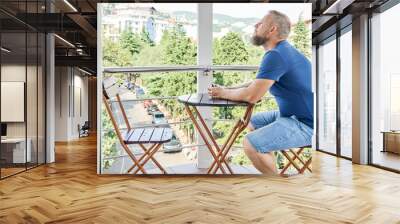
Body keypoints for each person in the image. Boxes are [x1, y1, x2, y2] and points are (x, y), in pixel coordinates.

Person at [208, 10, 313, 175]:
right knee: (250, 122)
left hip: (306, 124)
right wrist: (227, 89)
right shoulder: (283, 51)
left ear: (272, 29)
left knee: (250, 144)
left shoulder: (277, 55)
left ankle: (276, 187)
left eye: (260, 23)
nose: (255, 25)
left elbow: (252, 96)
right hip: (291, 115)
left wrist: (222, 93)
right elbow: (256, 83)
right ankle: (270, 161)